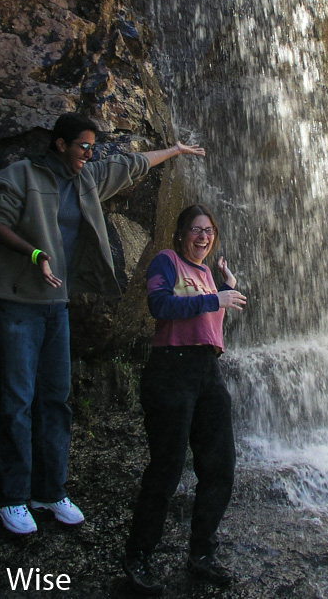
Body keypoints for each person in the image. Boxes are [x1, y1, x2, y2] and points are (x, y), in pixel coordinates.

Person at [0, 112, 205, 535]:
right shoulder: (20, 175)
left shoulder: (86, 179)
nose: (89, 153)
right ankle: (9, 498)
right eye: (83, 146)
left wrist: (175, 150)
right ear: (60, 144)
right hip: (15, 303)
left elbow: (131, 164)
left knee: (55, 399)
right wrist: (35, 254)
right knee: (17, 402)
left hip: (55, 307)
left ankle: (49, 491)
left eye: (92, 147)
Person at [123, 204, 247, 595]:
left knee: (220, 466)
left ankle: (202, 552)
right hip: (171, 369)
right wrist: (215, 299)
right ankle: (138, 555)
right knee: (167, 468)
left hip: (208, 371)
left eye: (208, 230)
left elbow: (207, 317)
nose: (203, 236)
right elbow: (159, 306)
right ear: (181, 234)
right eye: (195, 229)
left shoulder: (208, 274)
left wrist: (223, 289)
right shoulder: (166, 261)